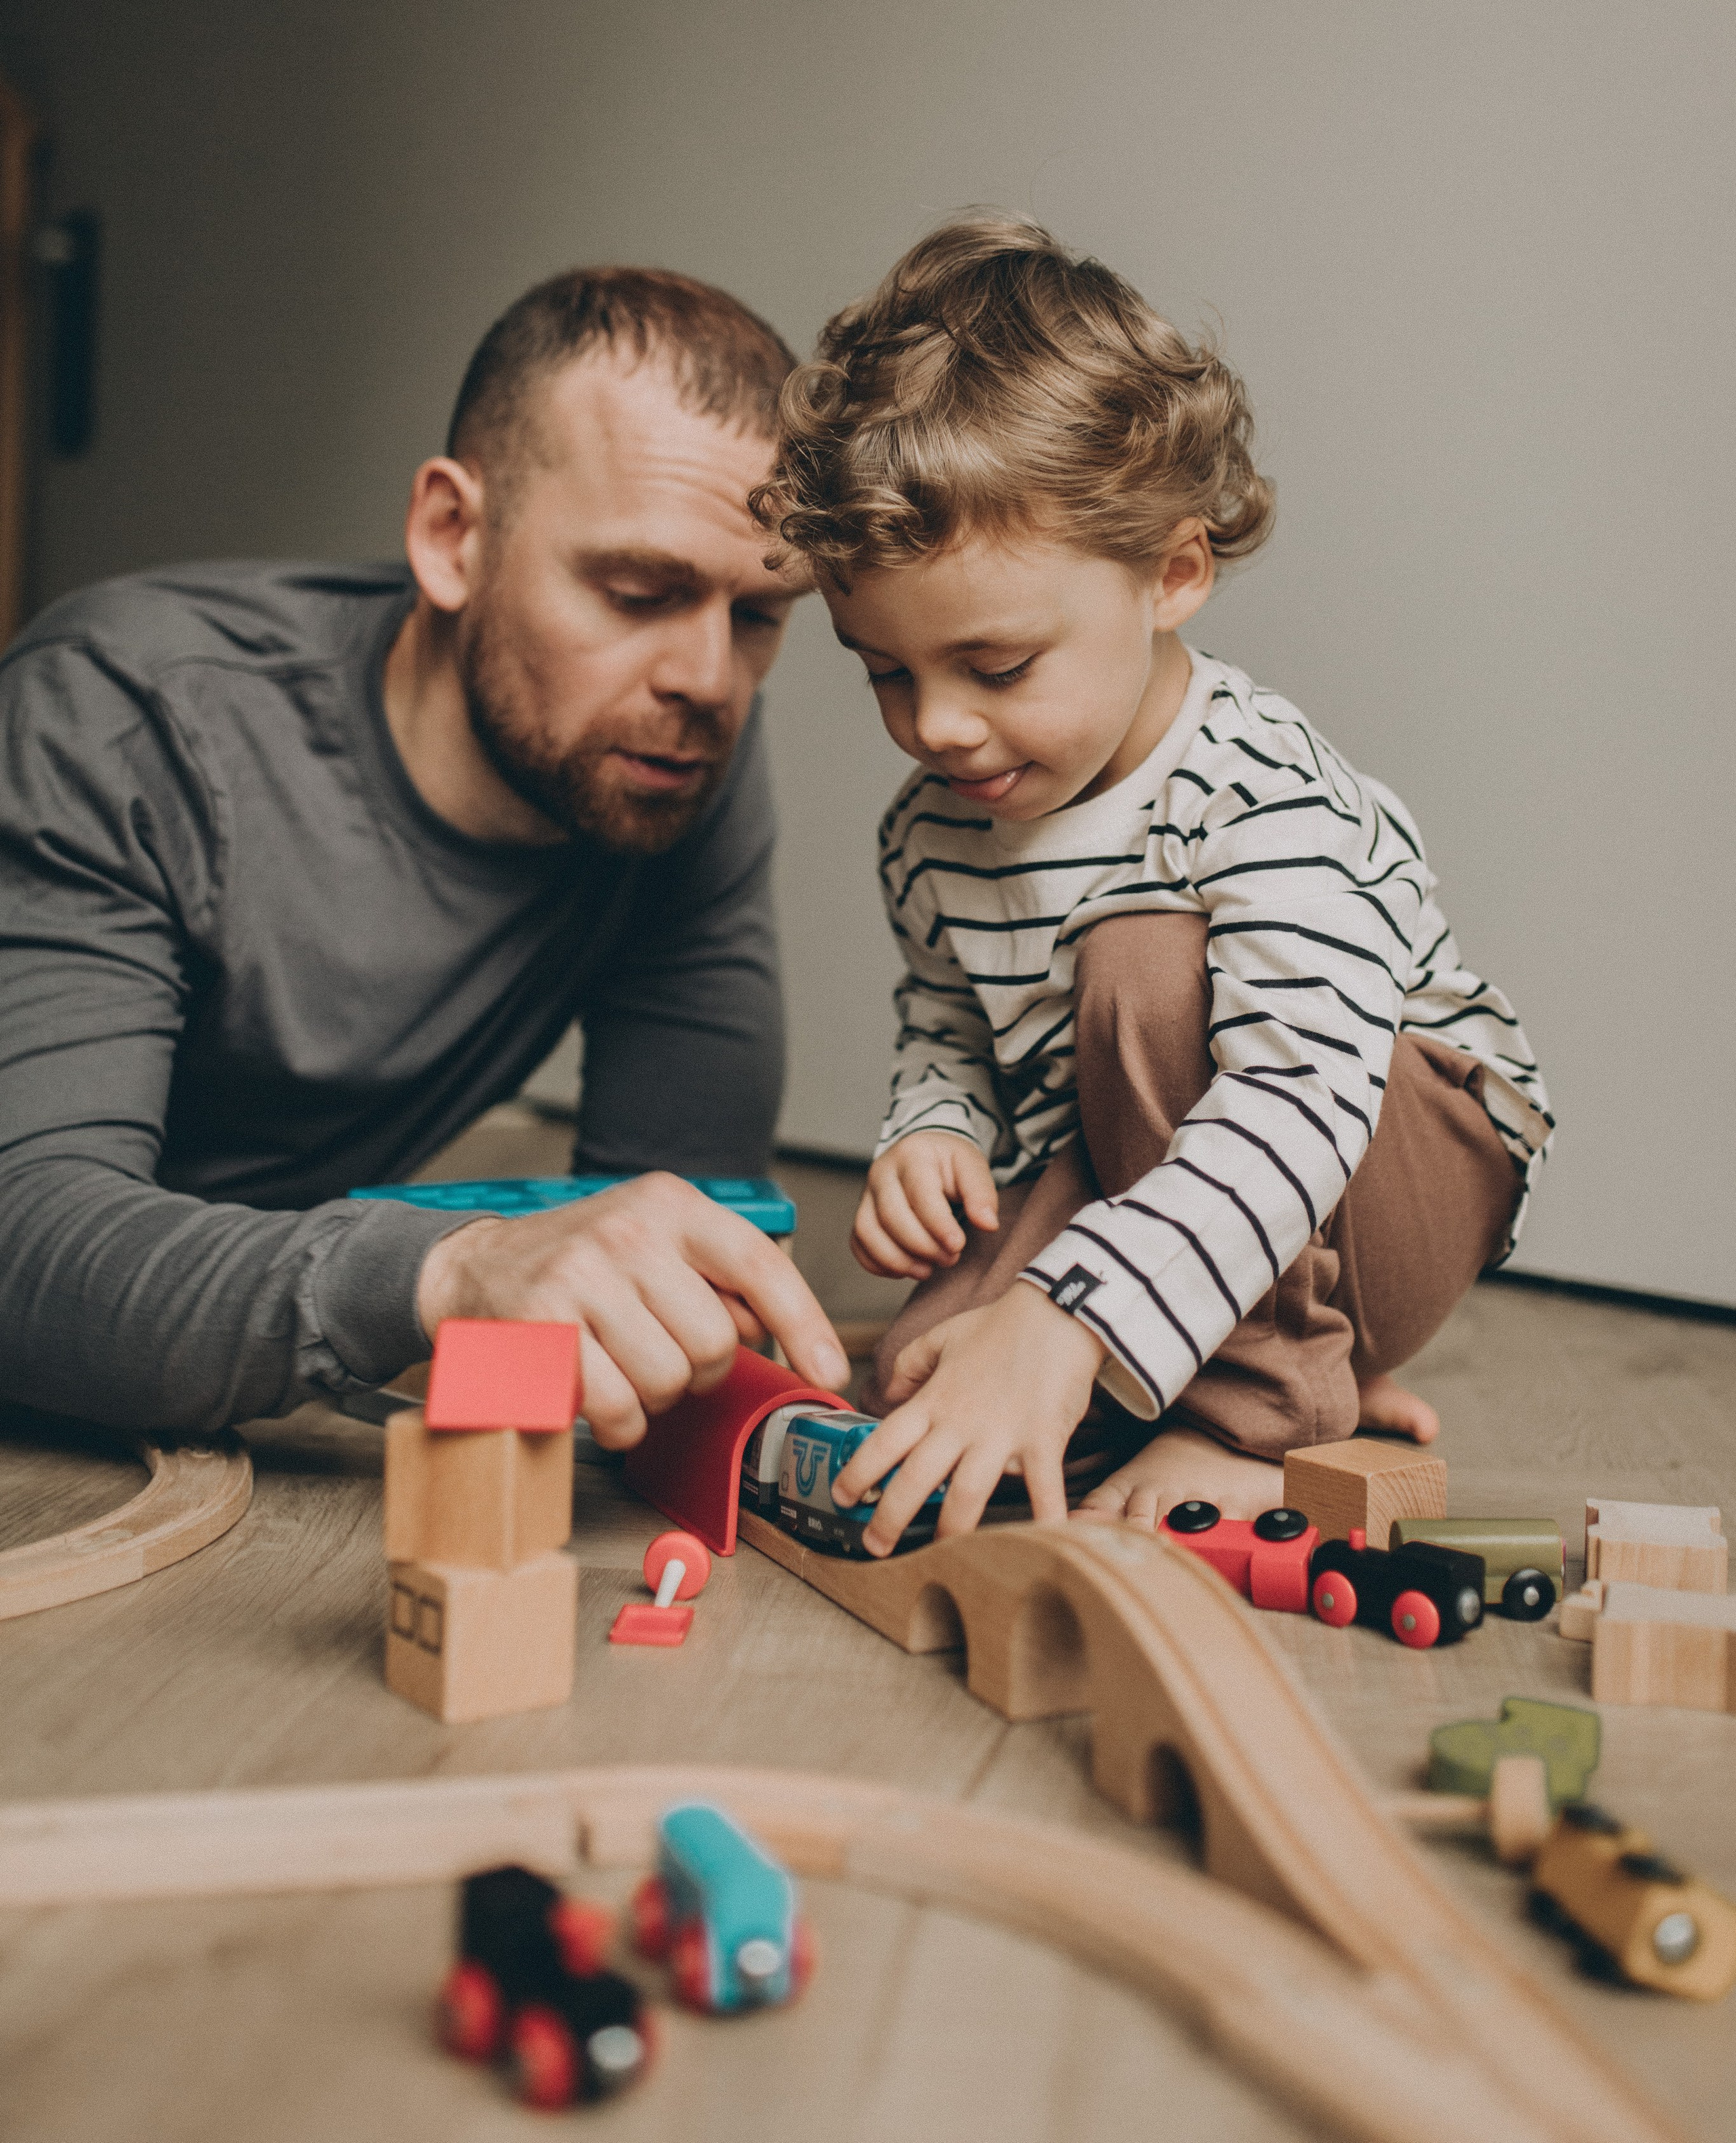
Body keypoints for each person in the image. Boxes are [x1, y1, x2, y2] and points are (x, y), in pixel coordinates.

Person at [748, 216, 1552, 1552]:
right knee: (927, 1371)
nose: (936, 726)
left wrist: (1064, 1317)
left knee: (1138, 965)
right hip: (1129, 1156)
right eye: (886, 671)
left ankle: (1262, 1401)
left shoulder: (1255, 791)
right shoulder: (935, 823)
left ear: (1171, 574)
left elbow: (1299, 1099)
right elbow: (949, 1019)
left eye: (995, 669)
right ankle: (1281, 1356)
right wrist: (932, 1129)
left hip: (1378, 1166)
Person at [0, 266, 851, 1437]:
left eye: (758, 616)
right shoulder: (124, 714)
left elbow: (674, 1233)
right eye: (639, 590)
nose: (708, 681)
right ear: (453, 536)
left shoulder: (666, 758)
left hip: (234, 1386)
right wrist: (446, 1274)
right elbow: (24, 1249)